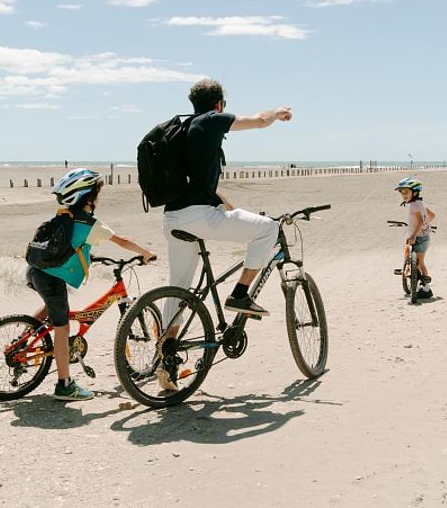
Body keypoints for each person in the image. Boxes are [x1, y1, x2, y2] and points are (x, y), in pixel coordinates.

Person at [158, 78, 292, 390]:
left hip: (172, 218)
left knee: (178, 287)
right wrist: (277, 112)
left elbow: (208, 188)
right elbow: (258, 121)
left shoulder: (186, 129)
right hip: (199, 217)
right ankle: (240, 294)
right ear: (219, 104)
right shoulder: (213, 121)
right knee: (268, 229)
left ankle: (166, 359)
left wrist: (233, 209)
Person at [26, 168, 155, 401]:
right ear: (87, 198)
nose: (97, 198)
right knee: (62, 328)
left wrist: (88, 258)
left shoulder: (63, 217)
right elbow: (121, 240)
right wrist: (146, 253)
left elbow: (70, 246)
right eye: (96, 194)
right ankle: (64, 385)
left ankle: (23, 340)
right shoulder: (88, 224)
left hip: (36, 272)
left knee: (52, 309)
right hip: (51, 279)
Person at [394, 177, 436, 299]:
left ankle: (426, 289)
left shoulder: (414, 206)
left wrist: (414, 235)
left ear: (415, 192)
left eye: (406, 192)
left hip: (419, 237)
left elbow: (420, 221)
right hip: (425, 236)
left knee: (418, 261)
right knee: (419, 262)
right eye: (402, 192)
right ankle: (422, 284)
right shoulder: (420, 203)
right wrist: (426, 227)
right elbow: (431, 216)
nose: (403, 195)